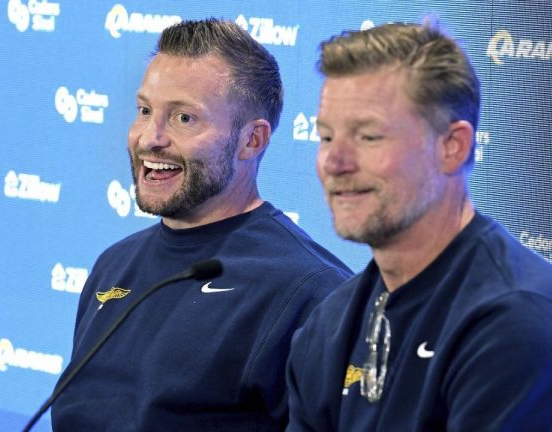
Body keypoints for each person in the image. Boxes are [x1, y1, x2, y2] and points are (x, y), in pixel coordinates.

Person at [286, 21, 552, 431]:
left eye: (368, 137)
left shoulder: (517, 320)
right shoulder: (330, 323)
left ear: (452, 147)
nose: (335, 163)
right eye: (326, 137)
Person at [51, 18, 352, 431]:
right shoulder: (114, 265)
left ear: (252, 140)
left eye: (184, 118)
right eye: (144, 111)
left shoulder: (313, 293)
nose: (149, 138)